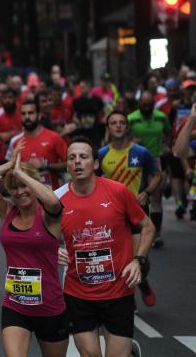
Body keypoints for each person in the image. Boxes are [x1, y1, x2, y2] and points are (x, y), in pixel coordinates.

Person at [55, 137, 155, 357]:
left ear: (96, 163)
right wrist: (53, 249)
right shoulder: (57, 199)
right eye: (72, 158)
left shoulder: (118, 192)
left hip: (118, 290)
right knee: (90, 354)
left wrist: (139, 260)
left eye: (83, 157)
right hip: (77, 291)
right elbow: (40, 236)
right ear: (67, 165)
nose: (77, 162)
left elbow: (147, 227)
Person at [0, 142, 68, 357]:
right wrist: (9, 166)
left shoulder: (47, 216)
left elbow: (54, 201)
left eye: (24, 186)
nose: (19, 192)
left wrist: (23, 174)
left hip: (49, 306)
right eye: (14, 187)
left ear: (33, 185)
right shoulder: (7, 211)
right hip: (15, 305)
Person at [98, 110, 161, 308]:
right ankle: (127, 295)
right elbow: (93, 182)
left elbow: (157, 175)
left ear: (127, 127)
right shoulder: (101, 154)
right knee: (115, 256)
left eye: (122, 122)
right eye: (113, 123)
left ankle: (143, 282)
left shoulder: (141, 152)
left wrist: (147, 193)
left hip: (137, 212)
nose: (118, 126)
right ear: (108, 128)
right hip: (112, 214)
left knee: (140, 257)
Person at [127, 92, 170, 249]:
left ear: (154, 104)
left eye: (149, 105)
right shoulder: (131, 118)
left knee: (156, 197)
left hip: (154, 159)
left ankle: (156, 233)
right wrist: (131, 140)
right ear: (139, 104)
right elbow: (121, 136)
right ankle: (137, 231)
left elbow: (168, 132)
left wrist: (167, 145)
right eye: (143, 105)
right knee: (136, 197)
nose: (146, 108)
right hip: (135, 162)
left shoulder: (161, 117)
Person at [6, 97, 68, 189]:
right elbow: (9, 168)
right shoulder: (15, 141)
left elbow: (69, 164)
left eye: (31, 113)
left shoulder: (54, 137)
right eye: (23, 114)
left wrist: (47, 165)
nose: (27, 117)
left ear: (39, 115)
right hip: (26, 196)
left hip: (52, 195)